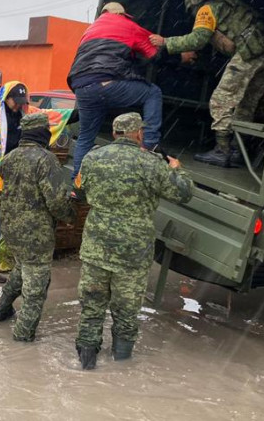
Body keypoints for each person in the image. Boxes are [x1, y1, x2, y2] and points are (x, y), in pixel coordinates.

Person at [73, 112, 192, 370]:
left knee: (92, 307)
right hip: (133, 253)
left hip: (97, 247)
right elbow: (183, 194)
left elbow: (79, 192)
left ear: (115, 133)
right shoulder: (151, 164)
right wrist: (177, 170)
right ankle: (121, 365)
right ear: (138, 134)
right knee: (126, 312)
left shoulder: (92, 158)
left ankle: (86, 364)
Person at [149, 0, 264, 167]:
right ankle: (238, 151)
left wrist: (166, 41)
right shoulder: (228, 4)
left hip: (249, 53)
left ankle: (222, 150)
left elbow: (197, 40)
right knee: (246, 104)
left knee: (220, 100)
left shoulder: (206, 10)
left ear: (194, 5)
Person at [0, 81, 74, 283]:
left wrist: (82, 110)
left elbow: (50, 117)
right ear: (4, 97)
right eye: (15, 101)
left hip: (2, 176)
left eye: (21, 102)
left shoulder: (25, 113)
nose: (18, 105)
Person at [0, 113, 76, 341]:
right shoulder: (45, 160)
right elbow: (57, 201)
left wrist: (11, 217)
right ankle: (22, 338)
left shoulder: (8, 159)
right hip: (36, 234)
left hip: (11, 230)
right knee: (36, 289)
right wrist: (71, 216)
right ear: (42, 133)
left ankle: (0, 311)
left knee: (20, 268)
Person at [67, 2, 162, 177]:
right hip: (105, 81)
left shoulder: (89, 30)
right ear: (121, 14)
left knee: (85, 138)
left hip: (81, 86)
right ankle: (149, 144)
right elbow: (153, 52)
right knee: (152, 92)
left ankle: (76, 185)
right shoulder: (126, 24)